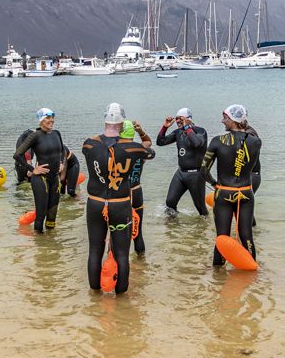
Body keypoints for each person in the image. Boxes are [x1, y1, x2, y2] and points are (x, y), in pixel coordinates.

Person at [81, 103, 152, 294]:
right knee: (121, 253)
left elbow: (91, 149)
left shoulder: (89, 143)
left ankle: (94, 296)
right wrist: (140, 137)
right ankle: (121, 300)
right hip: (119, 205)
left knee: (95, 250)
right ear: (121, 123)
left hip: (95, 203)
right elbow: (149, 152)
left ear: (105, 120)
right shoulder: (131, 147)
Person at [201, 105, 262, 266]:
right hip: (246, 193)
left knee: (222, 237)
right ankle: (252, 275)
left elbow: (203, 170)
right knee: (247, 236)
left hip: (224, 193)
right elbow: (252, 166)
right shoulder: (256, 142)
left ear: (233, 120)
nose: (222, 121)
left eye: (225, 118)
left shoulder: (217, 141)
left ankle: (218, 278)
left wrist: (214, 184)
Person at [14, 108, 66, 232]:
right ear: (41, 120)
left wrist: (62, 163)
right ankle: (39, 244)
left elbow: (63, 150)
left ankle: (49, 244)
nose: (51, 120)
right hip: (40, 179)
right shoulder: (35, 136)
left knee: (52, 215)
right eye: (48, 118)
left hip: (55, 179)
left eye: (52, 117)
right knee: (41, 214)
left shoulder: (56, 133)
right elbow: (17, 155)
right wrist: (33, 169)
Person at [156, 107, 208, 216]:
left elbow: (197, 143)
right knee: (170, 202)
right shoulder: (178, 133)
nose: (178, 121)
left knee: (200, 207)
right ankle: (173, 228)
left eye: (181, 118)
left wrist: (187, 127)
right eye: (177, 119)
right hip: (180, 173)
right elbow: (160, 142)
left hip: (196, 174)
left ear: (188, 119)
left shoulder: (200, 131)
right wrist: (164, 127)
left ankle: (204, 228)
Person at [118, 119, 155, 254]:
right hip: (137, 191)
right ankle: (141, 262)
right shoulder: (140, 150)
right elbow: (148, 142)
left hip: (122, 194)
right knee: (137, 231)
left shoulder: (116, 150)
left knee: (117, 231)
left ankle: (119, 263)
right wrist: (140, 131)